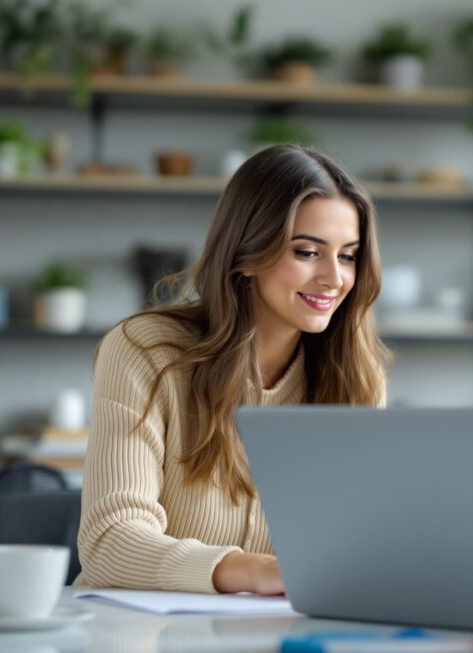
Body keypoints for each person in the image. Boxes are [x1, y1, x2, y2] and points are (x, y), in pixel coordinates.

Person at [75, 144, 390, 595]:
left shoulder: (357, 380)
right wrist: (259, 571)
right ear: (247, 254)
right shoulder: (145, 352)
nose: (334, 278)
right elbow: (109, 544)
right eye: (307, 252)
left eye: (348, 256)